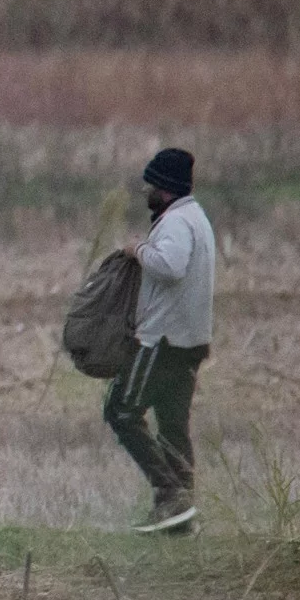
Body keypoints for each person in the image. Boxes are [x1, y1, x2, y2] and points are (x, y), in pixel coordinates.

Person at [110, 147, 217, 534]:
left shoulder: (175, 223)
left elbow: (170, 267)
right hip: (191, 341)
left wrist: (137, 249)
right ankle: (182, 518)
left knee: (120, 410)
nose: (146, 191)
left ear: (166, 189)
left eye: (151, 184)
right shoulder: (197, 218)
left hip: (162, 340)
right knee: (172, 426)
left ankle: (169, 493)